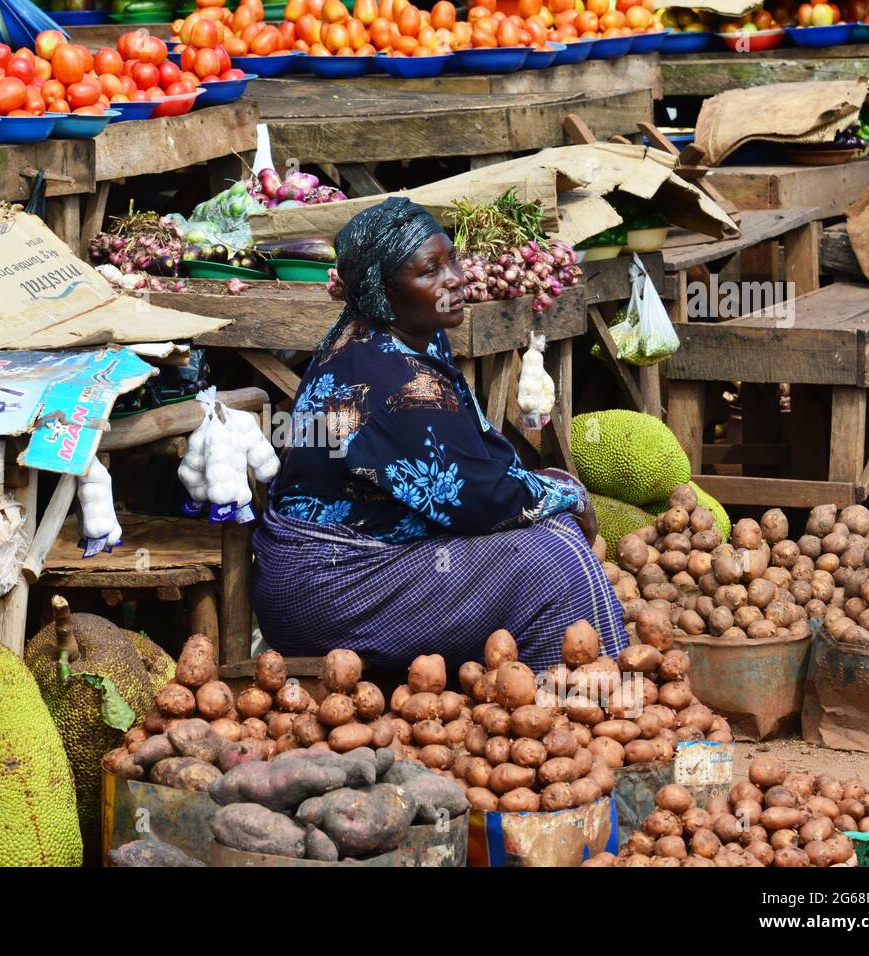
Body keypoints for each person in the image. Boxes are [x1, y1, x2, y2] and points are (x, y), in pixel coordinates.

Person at [250, 197, 625, 672]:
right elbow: (475, 497)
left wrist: (542, 490)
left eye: (451, 259)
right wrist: (566, 492)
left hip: (355, 559)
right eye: (430, 271)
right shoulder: (391, 378)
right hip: (329, 589)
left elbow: (474, 459)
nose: (454, 279)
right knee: (552, 558)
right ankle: (579, 703)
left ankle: (537, 686)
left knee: (550, 531)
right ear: (383, 292)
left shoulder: (398, 334)